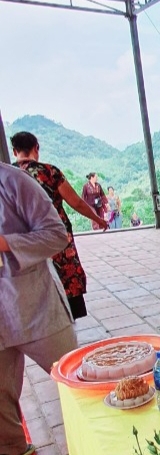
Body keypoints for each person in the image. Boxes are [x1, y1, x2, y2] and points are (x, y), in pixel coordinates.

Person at [0, 163, 77, 455]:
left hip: (36, 307)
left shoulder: (14, 182)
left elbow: (56, 236)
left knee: (76, 383)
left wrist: (5, 243)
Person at [11, 131, 108, 319]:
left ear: (15, 151)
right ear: (36, 148)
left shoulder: (9, 176)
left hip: (26, 240)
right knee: (65, 280)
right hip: (56, 239)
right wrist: (98, 219)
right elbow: (76, 202)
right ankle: (67, 323)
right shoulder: (50, 173)